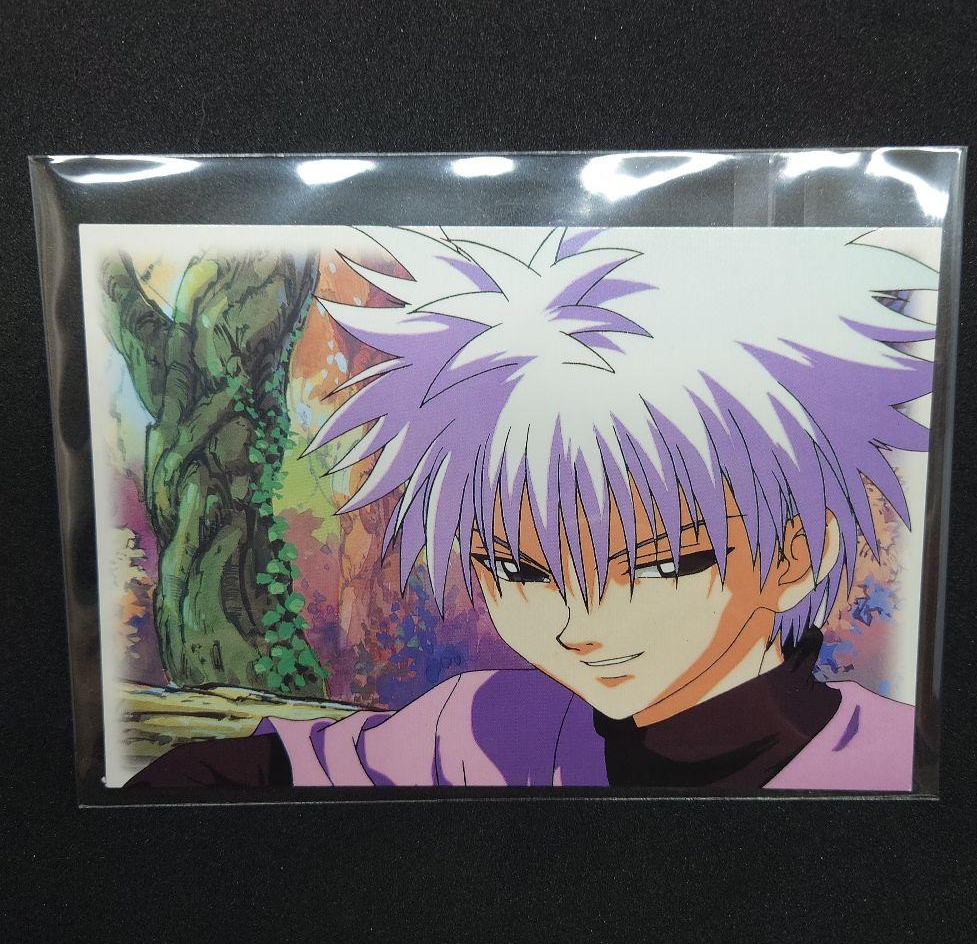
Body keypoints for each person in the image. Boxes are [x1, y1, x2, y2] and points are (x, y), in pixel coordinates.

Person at [128, 223, 936, 792]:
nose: (580, 622)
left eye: (656, 563)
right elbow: (247, 775)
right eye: (518, 570)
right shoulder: (480, 730)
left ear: (795, 553)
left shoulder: (899, 765)